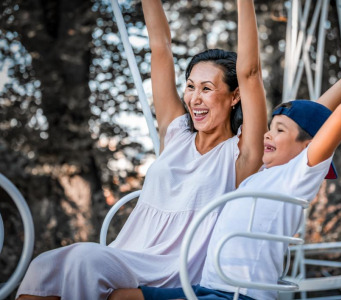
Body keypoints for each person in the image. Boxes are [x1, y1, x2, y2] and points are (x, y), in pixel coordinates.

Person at [109, 68, 341, 300]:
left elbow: (340, 119)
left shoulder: (297, 176)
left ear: (308, 146)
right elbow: (312, 114)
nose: (267, 133)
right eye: (271, 127)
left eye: (278, 130)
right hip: (205, 286)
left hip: (239, 293)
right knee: (119, 295)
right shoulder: (259, 176)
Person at [16, 0, 268, 299]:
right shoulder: (176, 133)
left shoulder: (241, 154)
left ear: (235, 96)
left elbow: (250, 73)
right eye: (190, 86)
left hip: (176, 269)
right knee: (44, 267)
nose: (195, 98)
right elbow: (159, 45)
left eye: (207, 88)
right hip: (131, 253)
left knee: (85, 259)